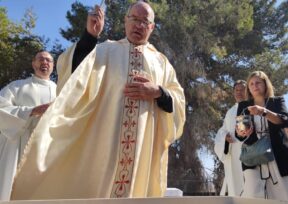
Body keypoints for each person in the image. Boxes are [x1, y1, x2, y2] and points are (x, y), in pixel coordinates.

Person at [11, 1, 185, 200]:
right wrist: (90, 37)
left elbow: (178, 100)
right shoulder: (105, 51)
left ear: (152, 27)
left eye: (144, 21)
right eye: (134, 19)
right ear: (125, 21)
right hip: (105, 145)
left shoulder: (162, 63)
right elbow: (76, 76)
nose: (138, 25)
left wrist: (159, 92)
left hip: (142, 151)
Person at [235, 71, 288, 202]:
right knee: (252, 194)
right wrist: (240, 133)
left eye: (258, 82)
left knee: (286, 195)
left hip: (278, 154)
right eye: (251, 84)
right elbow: (240, 133)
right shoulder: (243, 105)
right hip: (253, 156)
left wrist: (263, 111)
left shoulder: (276, 101)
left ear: (265, 84)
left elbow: (284, 120)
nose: (255, 86)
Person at [0, 51, 56, 201]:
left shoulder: (61, 91)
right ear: (33, 63)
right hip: (18, 146)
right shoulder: (17, 86)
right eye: (41, 59)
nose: (45, 62)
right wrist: (30, 111)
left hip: (48, 147)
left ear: (53, 66)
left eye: (48, 60)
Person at [214, 80, 246, 196]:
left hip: (250, 154)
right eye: (237, 90)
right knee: (235, 187)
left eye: (242, 90)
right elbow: (222, 130)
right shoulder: (230, 112)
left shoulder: (252, 108)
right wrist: (225, 137)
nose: (239, 92)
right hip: (233, 155)